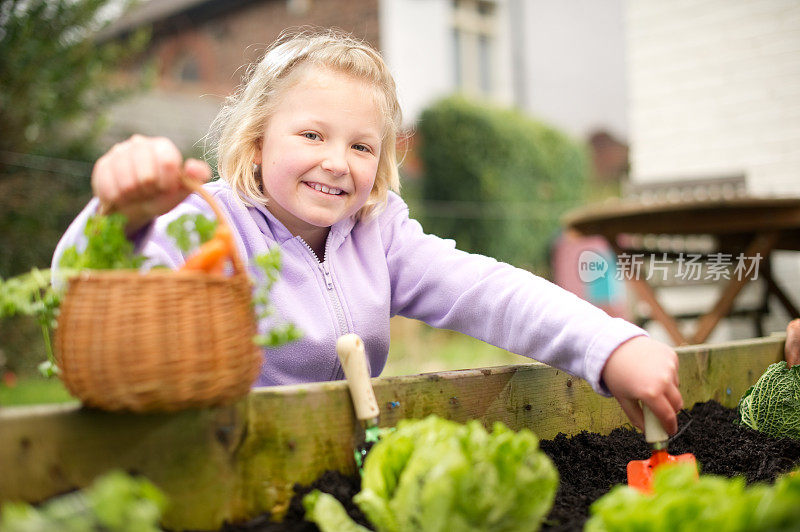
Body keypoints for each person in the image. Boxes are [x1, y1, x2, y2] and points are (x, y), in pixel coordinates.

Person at [53, 29, 682, 435]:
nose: (336, 160)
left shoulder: (379, 235)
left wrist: (610, 347)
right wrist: (118, 216)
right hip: (226, 454)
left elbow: (488, 292)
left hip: (347, 455)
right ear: (256, 138)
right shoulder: (208, 221)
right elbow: (77, 288)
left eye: (361, 145)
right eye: (310, 134)